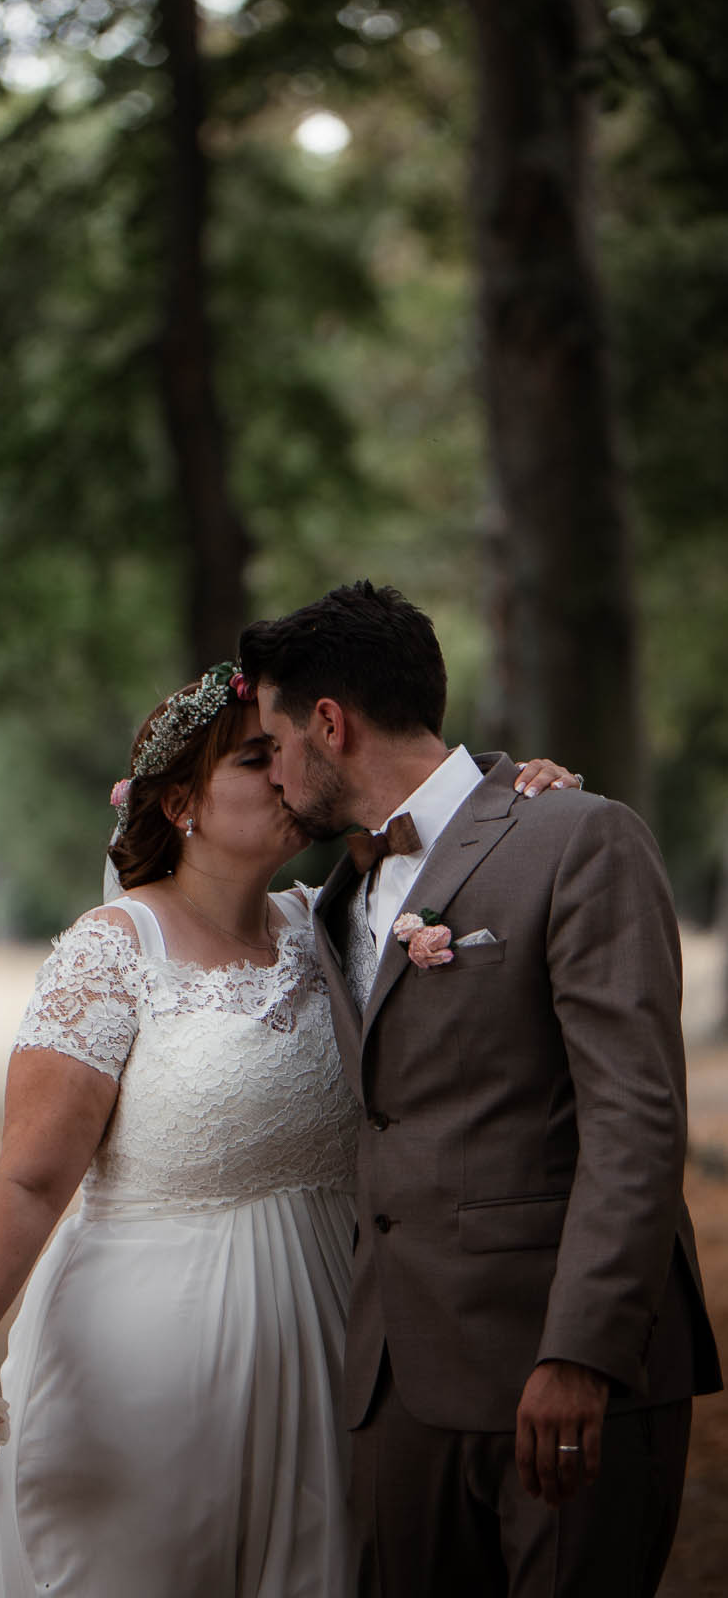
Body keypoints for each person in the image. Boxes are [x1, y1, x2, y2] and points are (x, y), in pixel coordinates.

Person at [0, 658, 580, 1597]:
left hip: (333, 1341)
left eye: (283, 753)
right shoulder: (111, 953)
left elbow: (472, 871)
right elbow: (30, 1178)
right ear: (178, 805)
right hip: (151, 1362)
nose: (286, 776)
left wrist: (534, 804)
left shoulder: (335, 921)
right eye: (255, 760)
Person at [238, 580, 723, 1598]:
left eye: (276, 742)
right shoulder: (332, 894)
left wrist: (581, 1351)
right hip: (395, 1385)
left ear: (331, 724)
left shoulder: (578, 836)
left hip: (561, 1371)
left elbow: (633, 1118)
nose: (274, 775)